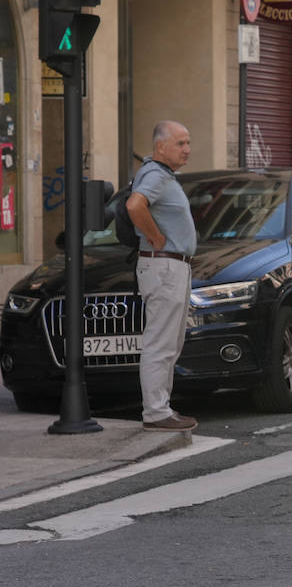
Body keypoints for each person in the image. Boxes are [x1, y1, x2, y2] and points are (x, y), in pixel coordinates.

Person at [126, 121, 197, 431]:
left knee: (170, 343)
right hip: (164, 265)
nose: (187, 149)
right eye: (180, 143)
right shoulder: (154, 174)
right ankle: (155, 413)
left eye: (188, 143)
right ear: (160, 147)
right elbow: (134, 205)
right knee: (160, 343)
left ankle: (161, 408)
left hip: (172, 265)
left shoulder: (163, 175)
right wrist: (155, 237)